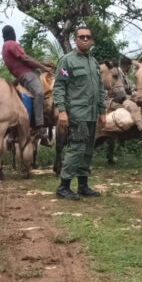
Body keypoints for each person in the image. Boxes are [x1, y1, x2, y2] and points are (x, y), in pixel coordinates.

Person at [54, 27, 106, 201]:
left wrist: (102, 112)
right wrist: (62, 111)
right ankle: (64, 186)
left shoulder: (94, 63)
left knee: (87, 151)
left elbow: (99, 88)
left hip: (91, 115)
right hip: (77, 114)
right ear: (75, 40)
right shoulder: (67, 62)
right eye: (81, 37)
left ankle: (83, 186)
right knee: (77, 148)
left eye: (88, 37)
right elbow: (60, 86)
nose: (85, 39)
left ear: (92, 41)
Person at [1, 25, 55, 144]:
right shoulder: (11, 44)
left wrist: (43, 63)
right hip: (27, 75)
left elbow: (24, 60)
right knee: (39, 92)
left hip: (25, 73)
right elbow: (25, 59)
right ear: (12, 33)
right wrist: (44, 67)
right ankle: (40, 126)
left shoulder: (5, 47)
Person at [107, 56, 142, 133]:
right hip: (115, 100)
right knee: (132, 106)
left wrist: (137, 93)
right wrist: (133, 98)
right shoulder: (116, 74)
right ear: (128, 67)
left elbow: (131, 88)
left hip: (122, 98)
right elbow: (120, 94)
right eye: (130, 67)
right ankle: (141, 129)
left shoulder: (124, 75)